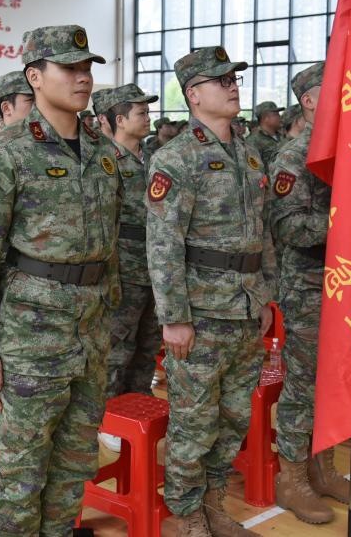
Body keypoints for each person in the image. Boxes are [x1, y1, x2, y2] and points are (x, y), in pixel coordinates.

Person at [0, 25, 121, 537]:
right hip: (29, 338)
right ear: (35, 76)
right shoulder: (1, 153)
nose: (83, 77)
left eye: (86, 67)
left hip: (89, 334)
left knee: (73, 469)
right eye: (69, 68)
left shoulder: (101, 151)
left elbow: (111, 245)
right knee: (21, 478)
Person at [146, 48, 274, 537]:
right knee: (194, 422)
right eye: (221, 81)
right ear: (194, 95)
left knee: (233, 417)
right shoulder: (176, 158)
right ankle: (185, 514)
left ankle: (214, 503)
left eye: (233, 78)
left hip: (245, 308)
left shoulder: (249, 152)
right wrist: (174, 317)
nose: (233, 86)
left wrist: (264, 295)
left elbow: (263, 233)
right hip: (200, 313)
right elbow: (163, 244)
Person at [269, 62, 351, 523]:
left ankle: (323, 466)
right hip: (310, 283)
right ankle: (291, 478)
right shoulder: (294, 158)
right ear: (309, 101)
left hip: (349, 281)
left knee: (339, 379)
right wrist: (344, 220)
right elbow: (288, 227)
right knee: (305, 383)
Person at [94, 84, 160, 415]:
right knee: (118, 346)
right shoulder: (106, 162)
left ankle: (137, 407)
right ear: (120, 120)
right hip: (123, 271)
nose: (148, 118)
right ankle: (110, 414)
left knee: (148, 344)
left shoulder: (153, 159)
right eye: (141, 113)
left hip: (155, 268)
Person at [248, 101, 285, 168]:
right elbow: (253, 168)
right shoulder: (254, 140)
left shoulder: (282, 136)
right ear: (266, 118)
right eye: (276, 114)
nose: (280, 117)